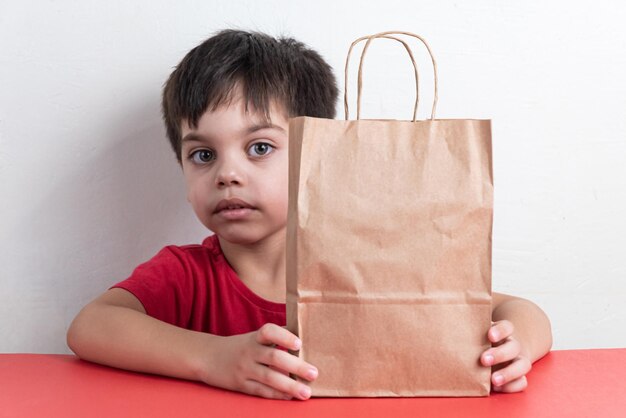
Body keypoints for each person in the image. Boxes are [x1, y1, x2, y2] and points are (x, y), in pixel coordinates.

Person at [67, 29, 553, 401]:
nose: (227, 174)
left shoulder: (368, 267)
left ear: (318, 155)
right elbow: (91, 325)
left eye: (259, 147)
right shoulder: (188, 275)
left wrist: (515, 347)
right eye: (202, 155)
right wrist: (212, 359)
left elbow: (521, 311)